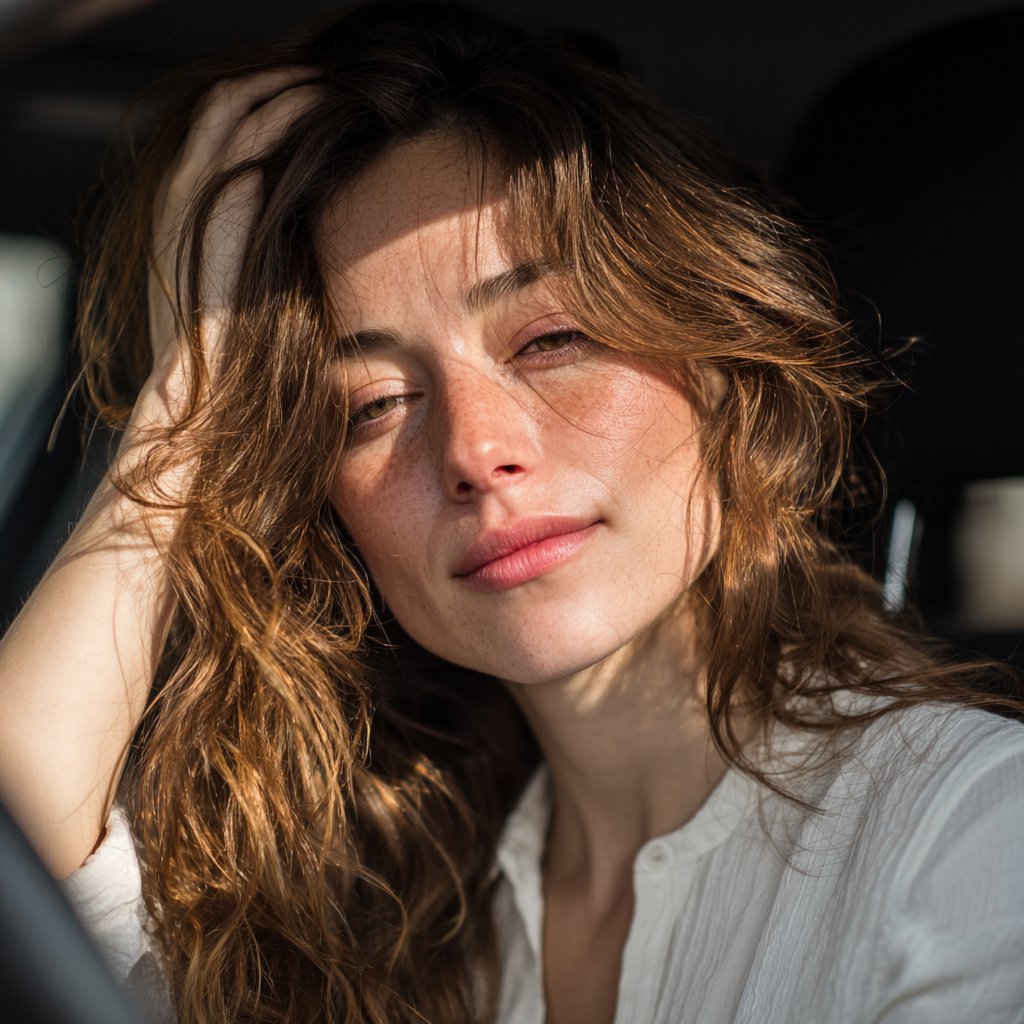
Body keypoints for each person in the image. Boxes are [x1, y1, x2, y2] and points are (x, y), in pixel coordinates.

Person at [1, 3, 1022, 1022]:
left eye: (549, 340)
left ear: (721, 358)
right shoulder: (354, 906)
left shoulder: (971, 833)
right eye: (371, 406)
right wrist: (184, 413)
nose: (474, 451)